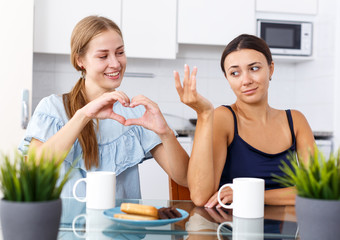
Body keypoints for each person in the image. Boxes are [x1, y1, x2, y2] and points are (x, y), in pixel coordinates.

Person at [19, 15, 189, 199]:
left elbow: (185, 178)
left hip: (121, 227)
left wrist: (165, 132)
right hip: (66, 226)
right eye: (103, 56)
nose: (115, 64)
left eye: (120, 52)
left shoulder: (135, 114)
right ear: (80, 61)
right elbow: (34, 172)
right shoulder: (52, 108)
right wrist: (83, 115)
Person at [174, 34, 315, 207]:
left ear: (270, 69)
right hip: (233, 229)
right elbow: (200, 197)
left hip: (287, 230)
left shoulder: (295, 120)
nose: (246, 80)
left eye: (254, 68)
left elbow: (316, 190)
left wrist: (247, 195)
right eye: (235, 73)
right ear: (227, 78)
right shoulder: (223, 118)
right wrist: (204, 114)